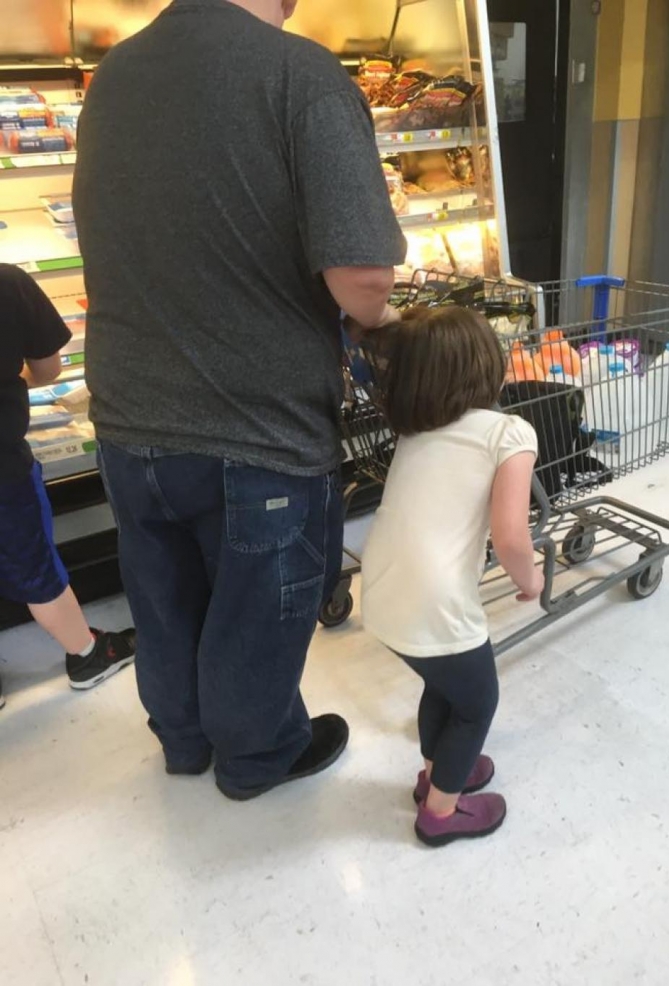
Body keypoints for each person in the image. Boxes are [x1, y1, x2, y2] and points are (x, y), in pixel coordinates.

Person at [72, 0, 406, 796]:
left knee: (163, 600)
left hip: (127, 418)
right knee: (256, 613)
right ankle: (260, 757)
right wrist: (390, 324)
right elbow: (361, 274)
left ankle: (184, 744)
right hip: (256, 423)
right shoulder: (300, 74)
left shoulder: (116, 73)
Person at [361, 307, 543, 847]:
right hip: (435, 600)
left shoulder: (416, 433)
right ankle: (441, 813)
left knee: (440, 683)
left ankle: (434, 772)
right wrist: (531, 580)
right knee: (476, 702)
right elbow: (511, 536)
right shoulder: (509, 432)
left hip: (382, 590)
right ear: (488, 364)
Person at [0, 263, 135, 709]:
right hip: (3, 468)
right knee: (35, 565)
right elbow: (47, 370)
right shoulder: (9, 283)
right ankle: (87, 654)